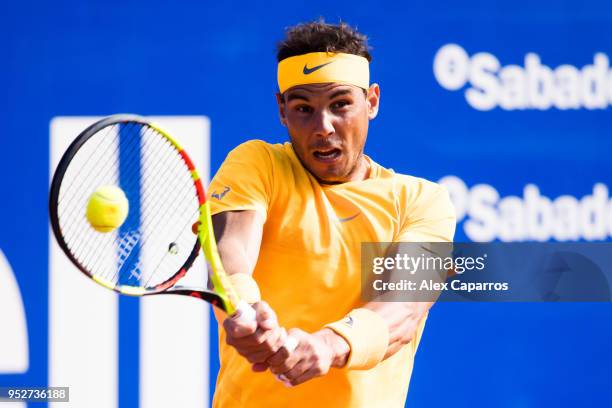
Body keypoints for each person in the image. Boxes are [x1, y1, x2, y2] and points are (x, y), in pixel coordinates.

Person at [208, 20, 456, 407]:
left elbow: (403, 307)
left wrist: (328, 345)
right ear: (282, 111)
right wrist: (244, 310)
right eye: (303, 108)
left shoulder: (423, 201)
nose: (323, 127)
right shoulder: (256, 164)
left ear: (371, 101)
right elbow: (230, 255)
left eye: (340, 104)